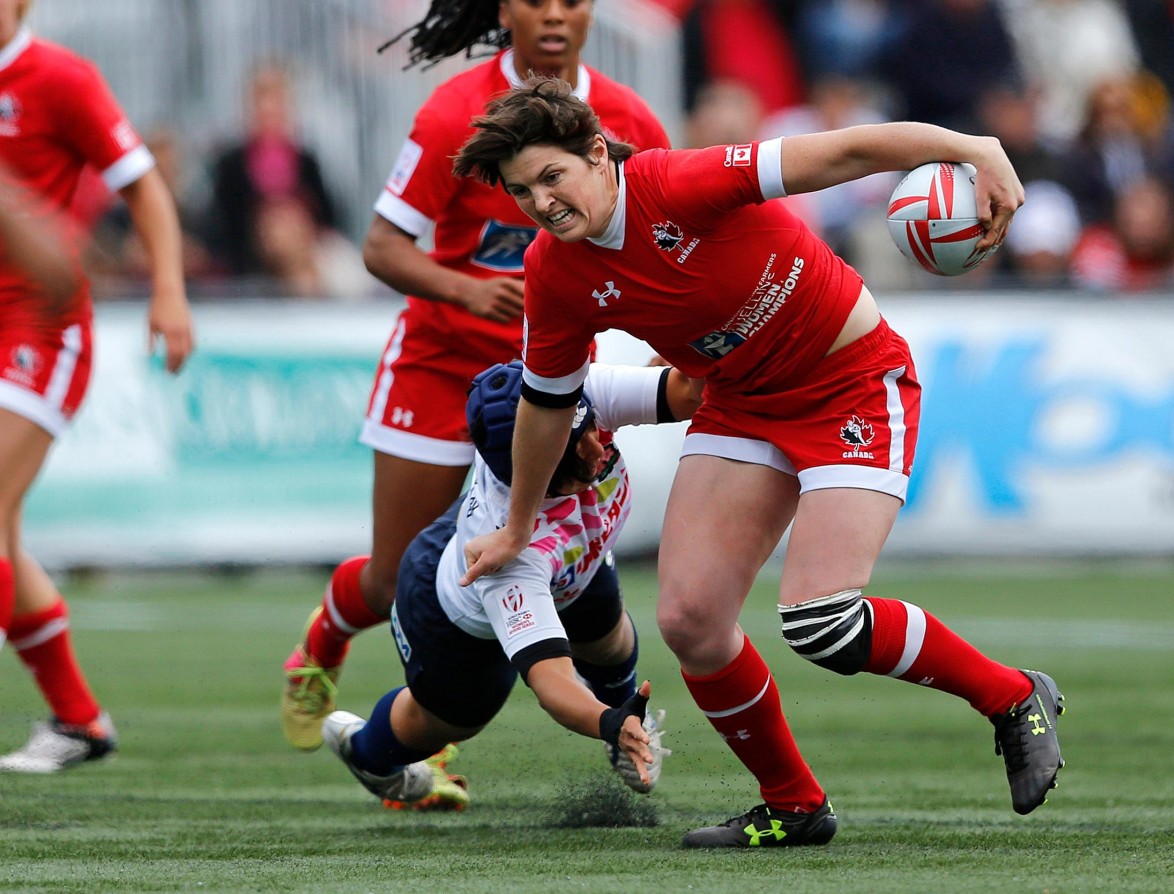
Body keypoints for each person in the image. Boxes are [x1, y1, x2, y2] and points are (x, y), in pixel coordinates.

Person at [453, 76, 1067, 848]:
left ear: (599, 156)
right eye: (521, 192)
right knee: (690, 620)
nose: (541, 203)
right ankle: (795, 805)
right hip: (742, 402)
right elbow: (547, 405)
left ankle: (1014, 699)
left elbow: (844, 151)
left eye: (552, 177)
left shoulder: (680, 183)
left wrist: (972, 147)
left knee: (822, 622)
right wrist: (515, 530)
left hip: (849, 383)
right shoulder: (552, 271)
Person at [280, 0, 670, 754]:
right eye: (534, 0)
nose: (555, 15)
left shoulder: (628, 119)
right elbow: (381, 247)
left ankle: (438, 735)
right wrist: (466, 288)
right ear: (502, 10)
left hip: (556, 371)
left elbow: (659, 237)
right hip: (442, 362)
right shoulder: (453, 111)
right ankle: (322, 647)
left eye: (572, 0)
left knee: (552, 569)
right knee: (395, 577)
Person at [324, 360, 697, 807]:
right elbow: (551, 682)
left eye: (589, 428)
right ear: (536, 465)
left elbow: (686, 390)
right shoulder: (508, 560)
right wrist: (607, 720)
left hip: (571, 560)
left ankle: (627, 716)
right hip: (456, 614)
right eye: (578, 449)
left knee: (608, 637)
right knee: (453, 720)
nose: (598, 447)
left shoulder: (581, 396)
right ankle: (367, 754)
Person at [0, 0, 194, 773]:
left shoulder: (59, 77)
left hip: (40, 333)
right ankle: (79, 720)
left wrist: (169, 290)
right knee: (4, 535)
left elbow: (142, 186)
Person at [205, 62, 339, 278]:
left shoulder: (306, 161)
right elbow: (221, 224)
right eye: (261, 101)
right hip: (247, 264)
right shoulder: (230, 165)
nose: (268, 110)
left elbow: (329, 216)